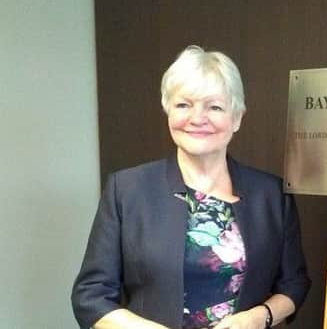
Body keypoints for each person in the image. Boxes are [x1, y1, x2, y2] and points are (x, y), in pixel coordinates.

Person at [72, 46, 310, 329]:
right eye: (184, 105)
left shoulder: (271, 195)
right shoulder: (126, 190)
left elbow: (294, 283)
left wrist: (259, 318)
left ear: (237, 118)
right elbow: (91, 295)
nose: (198, 118)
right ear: (168, 111)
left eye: (215, 107)